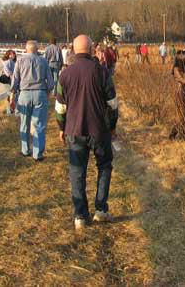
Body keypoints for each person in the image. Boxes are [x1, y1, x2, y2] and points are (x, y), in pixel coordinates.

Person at [56, 35, 119, 230]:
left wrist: (61, 127)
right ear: (92, 49)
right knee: (104, 166)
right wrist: (112, 125)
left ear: (74, 51)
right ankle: (100, 209)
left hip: (74, 130)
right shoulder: (102, 72)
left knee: (77, 172)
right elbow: (113, 104)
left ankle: (80, 216)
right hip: (99, 130)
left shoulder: (65, 75)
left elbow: (60, 107)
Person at [10, 40, 55, 161]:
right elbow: (51, 83)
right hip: (40, 93)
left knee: (24, 123)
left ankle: (25, 150)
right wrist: (47, 93)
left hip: (24, 94)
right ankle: (37, 154)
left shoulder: (19, 61)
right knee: (39, 124)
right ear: (37, 49)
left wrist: (12, 94)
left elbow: (15, 81)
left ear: (26, 49)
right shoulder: (43, 61)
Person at [1, 50, 17, 115]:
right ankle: (9, 111)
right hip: (8, 81)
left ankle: (12, 110)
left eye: (14, 54)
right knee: (9, 95)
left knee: (12, 96)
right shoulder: (7, 62)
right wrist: (12, 74)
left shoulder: (14, 62)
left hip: (13, 81)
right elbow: (7, 72)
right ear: (8, 55)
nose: (13, 55)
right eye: (11, 54)